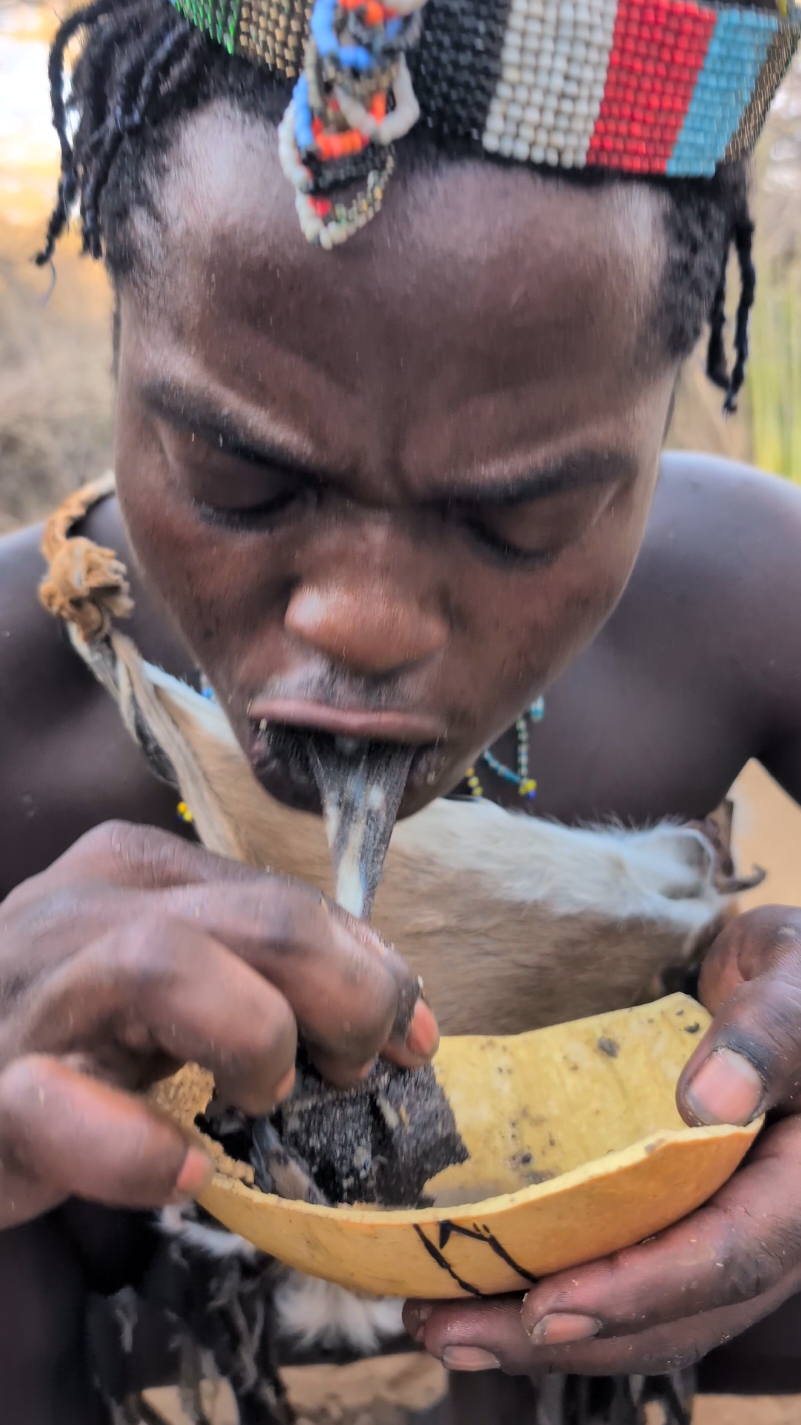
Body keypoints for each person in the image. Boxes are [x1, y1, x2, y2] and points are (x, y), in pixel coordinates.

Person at [2, 0, 801, 1419]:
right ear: (125, 324)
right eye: (239, 482)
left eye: (526, 519)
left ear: (660, 415)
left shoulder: (749, 603)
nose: (359, 621)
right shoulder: (17, 677)